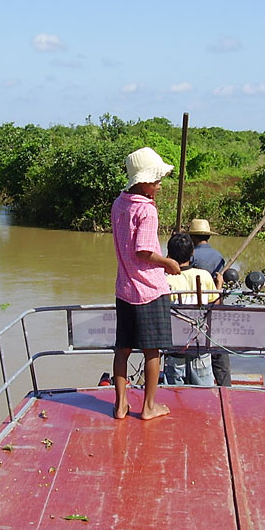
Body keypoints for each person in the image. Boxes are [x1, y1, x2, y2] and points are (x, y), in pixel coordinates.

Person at [111, 147, 180, 420]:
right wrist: (168, 263)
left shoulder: (119, 203)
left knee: (123, 349)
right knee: (153, 351)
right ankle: (149, 407)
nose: (159, 185)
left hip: (124, 288)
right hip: (149, 290)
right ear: (142, 181)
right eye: (155, 180)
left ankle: (120, 405)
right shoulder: (147, 211)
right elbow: (143, 251)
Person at [163, 233, 223, 386]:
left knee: (173, 394)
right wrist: (219, 287)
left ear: (168, 254)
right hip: (201, 347)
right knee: (204, 394)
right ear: (192, 253)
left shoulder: (164, 280)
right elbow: (216, 307)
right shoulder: (203, 276)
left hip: (174, 348)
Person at [188, 218, 232, 386]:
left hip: (194, 310)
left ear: (192, 237)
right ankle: (225, 387)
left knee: (194, 349)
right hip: (215, 306)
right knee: (219, 352)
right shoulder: (218, 256)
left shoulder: (191, 257)